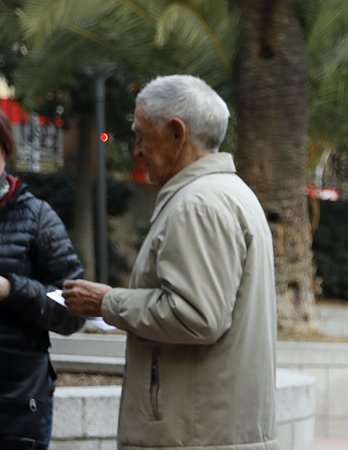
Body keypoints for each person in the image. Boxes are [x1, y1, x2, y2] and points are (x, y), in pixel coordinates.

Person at [62, 75, 278, 449]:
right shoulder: (229, 193)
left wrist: (107, 302)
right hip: (211, 430)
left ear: (177, 133)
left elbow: (197, 316)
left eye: (142, 135)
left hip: (192, 435)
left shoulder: (199, 203)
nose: (137, 150)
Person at [0, 91, 87, 448]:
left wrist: (11, 290)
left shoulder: (35, 216)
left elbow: (75, 308)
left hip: (11, 414)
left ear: (5, 151)